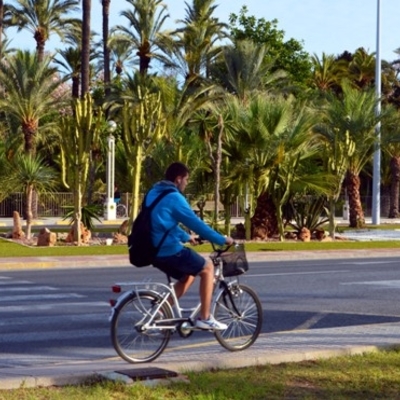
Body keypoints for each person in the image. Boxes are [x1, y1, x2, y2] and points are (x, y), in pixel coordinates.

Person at [148, 162, 234, 330]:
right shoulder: (175, 197)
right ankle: (205, 317)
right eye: (186, 180)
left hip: (152, 248)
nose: (187, 184)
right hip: (167, 249)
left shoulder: (154, 193)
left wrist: (185, 236)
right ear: (178, 179)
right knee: (208, 268)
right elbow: (196, 223)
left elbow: (163, 222)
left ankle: (160, 311)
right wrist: (221, 239)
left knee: (188, 275)